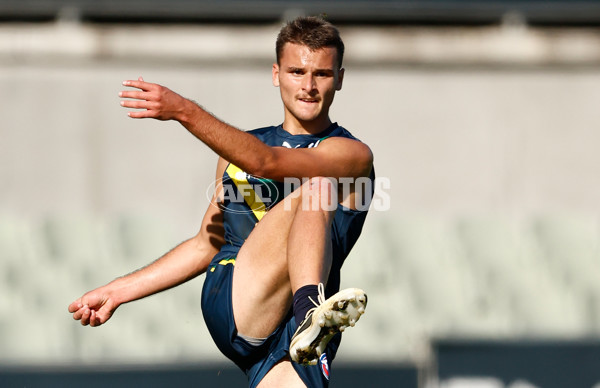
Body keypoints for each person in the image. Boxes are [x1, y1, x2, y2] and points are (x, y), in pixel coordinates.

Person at [68, 16, 374, 387]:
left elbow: (267, 161)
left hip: (293, 336)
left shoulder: (352, 154)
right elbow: (205, 244)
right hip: (238, 300)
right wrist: (118, 289)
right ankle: (310, 309)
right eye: (297, 71)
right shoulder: (238, 154)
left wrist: (185, 110)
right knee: (317, 191)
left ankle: (310, 318)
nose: (308, 86)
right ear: (276, 74)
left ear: (340, 78)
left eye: (322, 74)